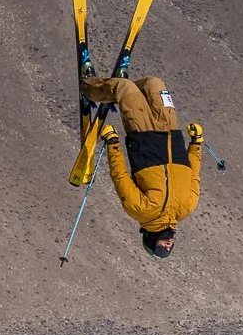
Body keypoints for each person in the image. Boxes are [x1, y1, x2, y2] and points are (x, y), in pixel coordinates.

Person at [79, 70, 203, 258]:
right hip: (171, 133)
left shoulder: (140, 211)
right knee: (154, 84)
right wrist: (196, 143)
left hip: (144, 137)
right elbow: (193, 173)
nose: (168, 246)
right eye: (169, 249)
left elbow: (120, 176)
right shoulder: (187, 208)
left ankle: (88, 88)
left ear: (150, 240)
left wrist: (113, 144)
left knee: (124, 86)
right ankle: (118, 97)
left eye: (161, 248)